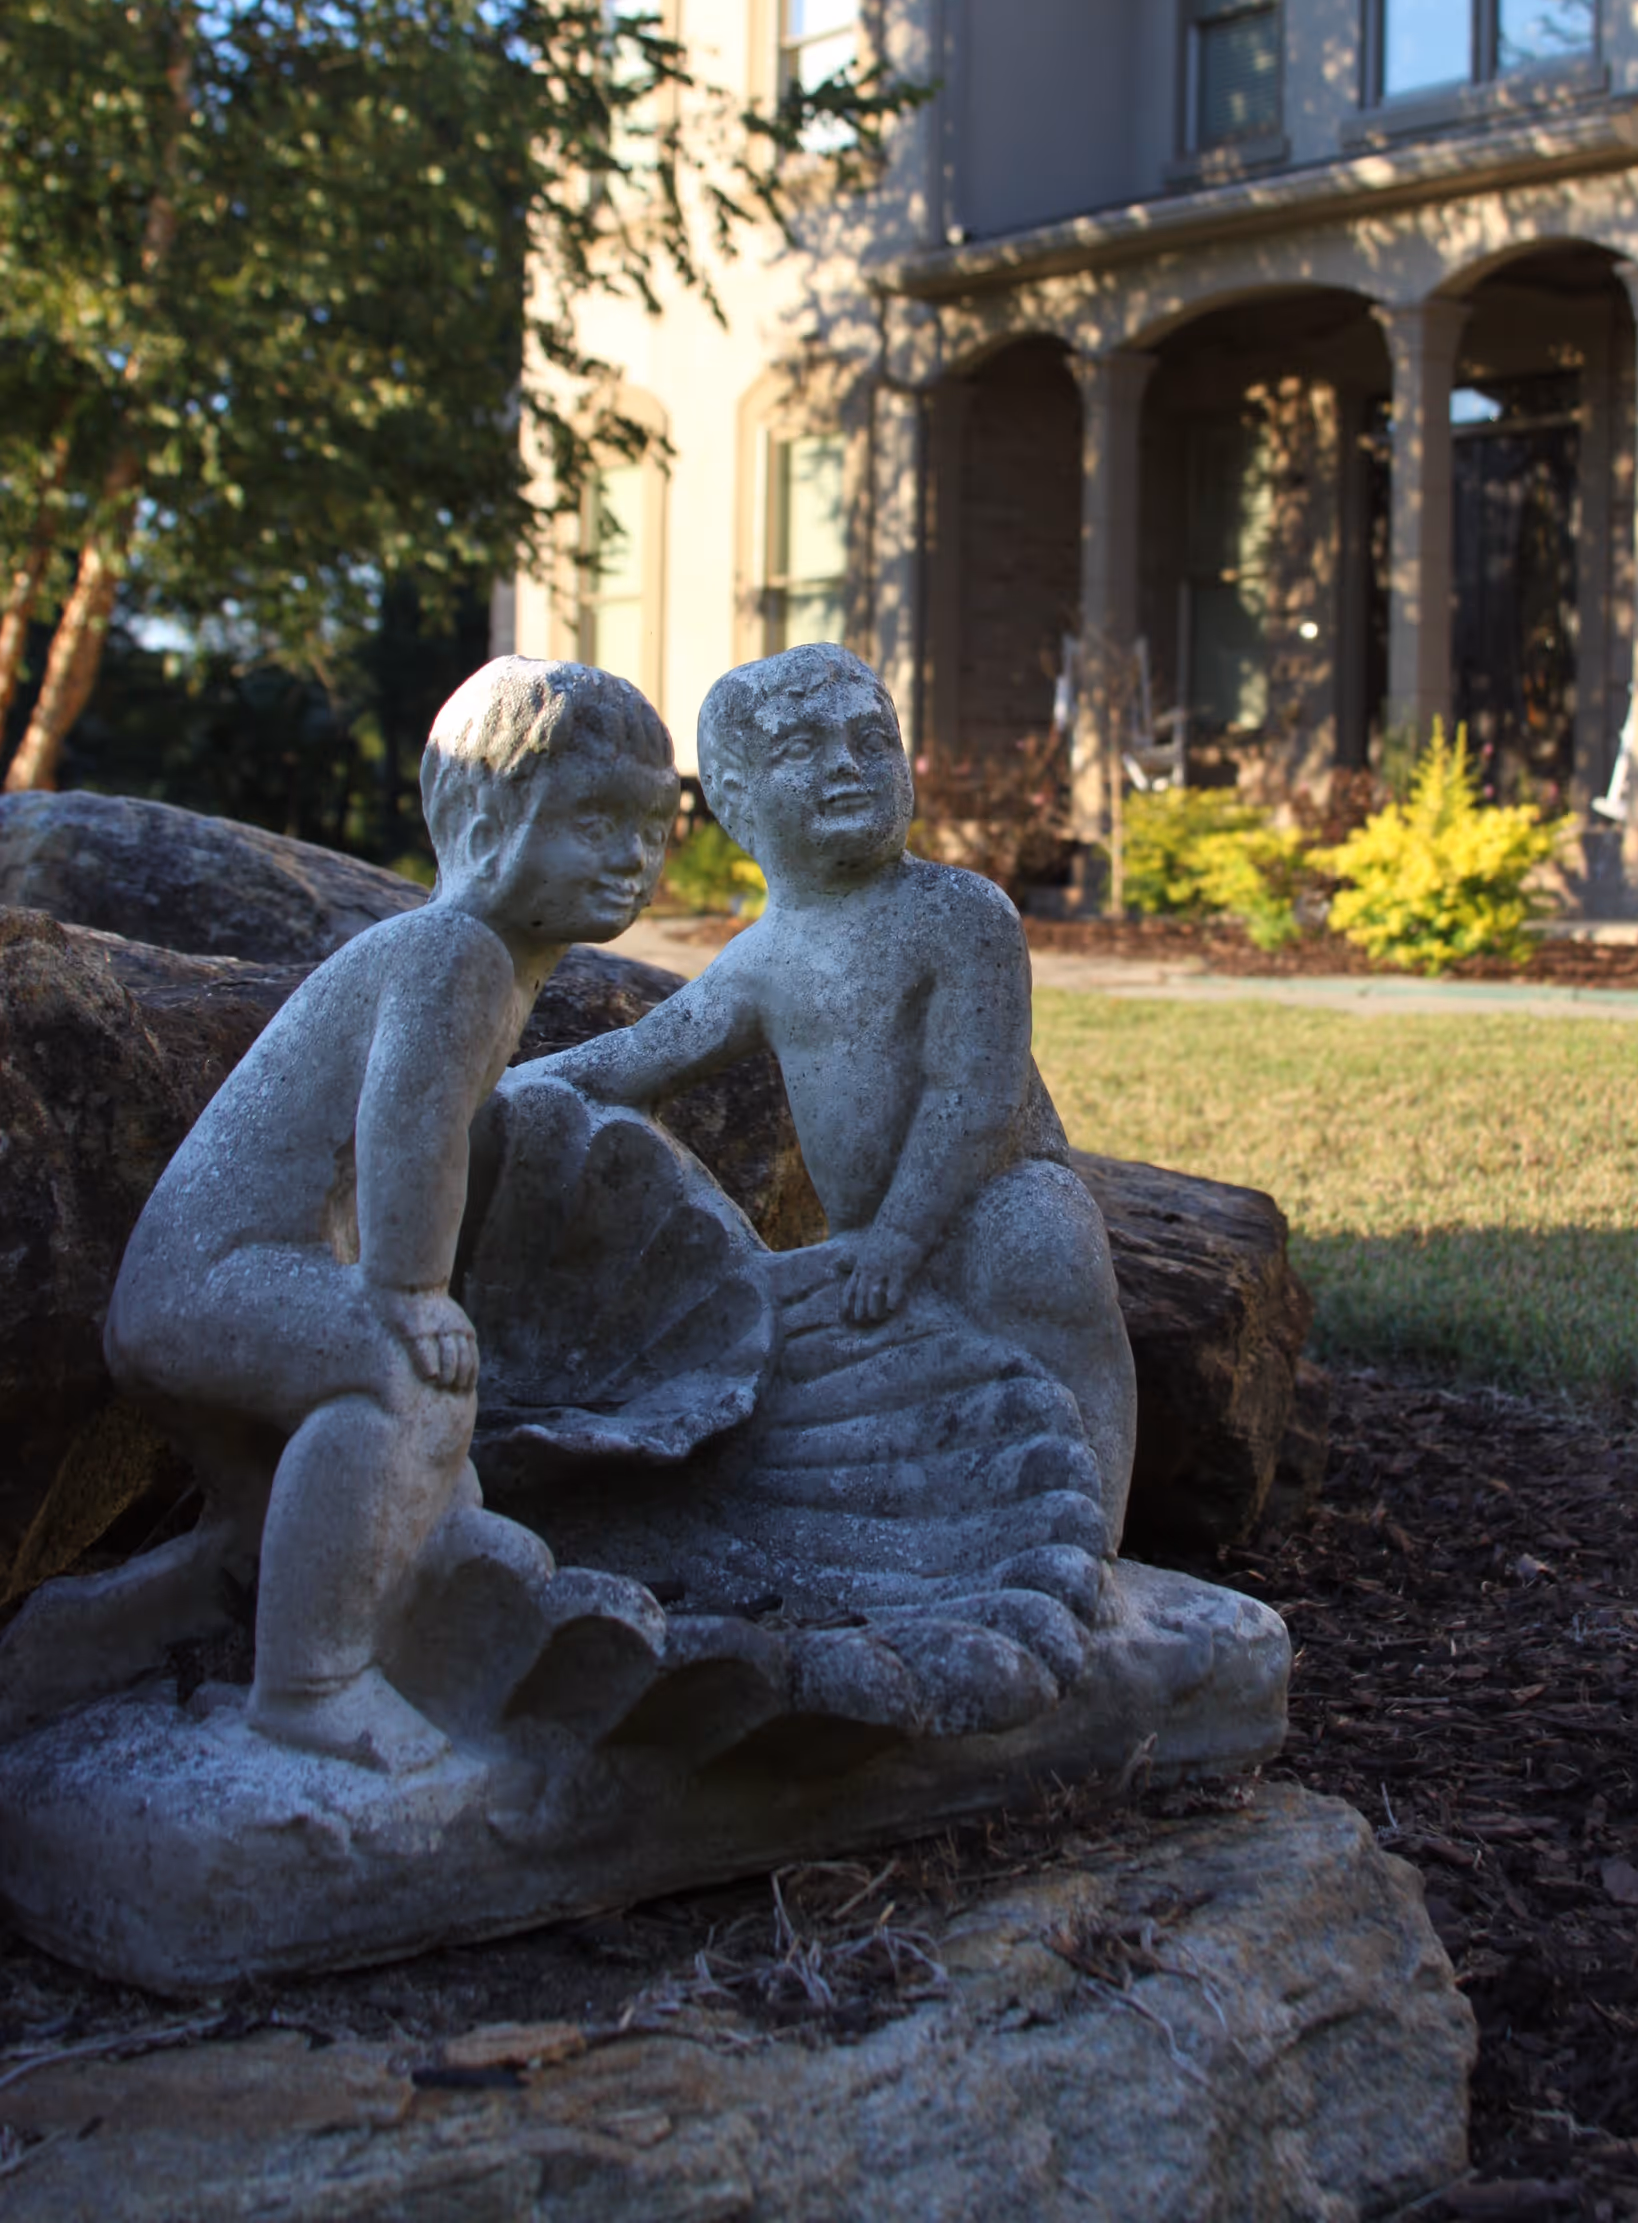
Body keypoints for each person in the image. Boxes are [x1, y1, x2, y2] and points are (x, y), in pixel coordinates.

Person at [10, 659, 680, 1775]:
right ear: (481, 821)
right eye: (596, 819)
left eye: (654, 827)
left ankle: (87, 1645)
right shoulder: (455, 954)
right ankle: (311, 1687)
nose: (634, 857)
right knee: (402, 1379)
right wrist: (410, 1294)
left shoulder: (488, 960)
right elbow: (407, 1131)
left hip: (227, 1277)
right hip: (220, 1276)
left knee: (346, 1485)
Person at [526, 645, 1136, 1544]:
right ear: (734, 801)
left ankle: (1093, 1536)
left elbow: (971, 1097)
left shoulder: (961, 915)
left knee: (1044, 1238)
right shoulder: (764, 961)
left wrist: (901, 1236)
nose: (846, 764)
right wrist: (500, 1084)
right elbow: (638, 1058)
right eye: (802, 747)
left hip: (977, 1209)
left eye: (871, 740)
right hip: (861, 1250)